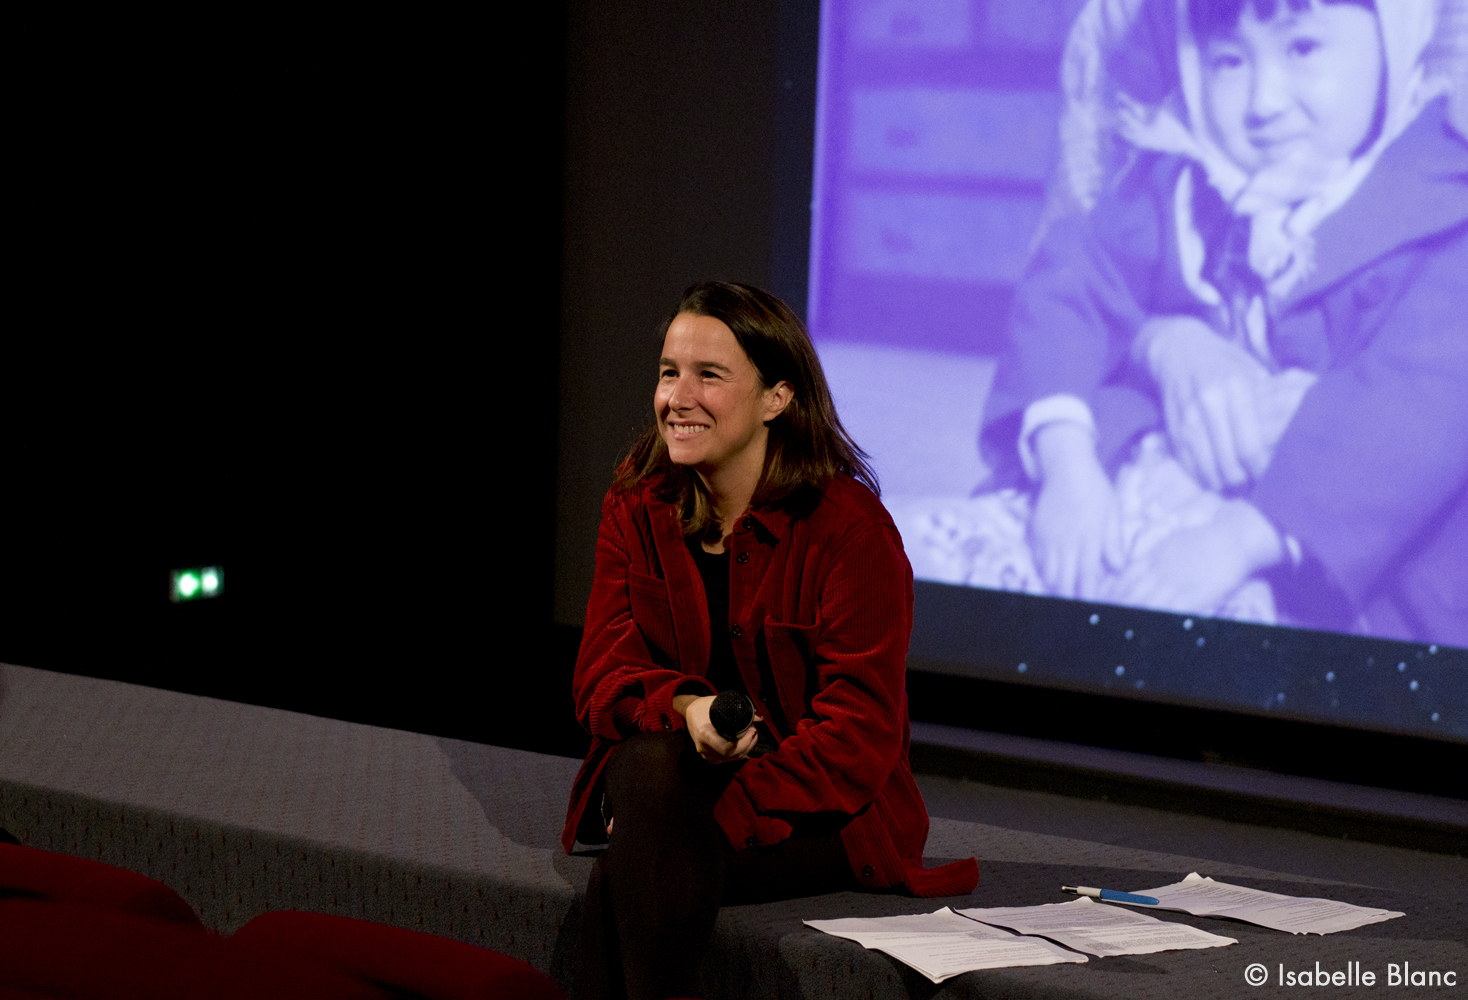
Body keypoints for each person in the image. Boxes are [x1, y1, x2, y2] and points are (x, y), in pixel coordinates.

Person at [930, 0, 1468, 645]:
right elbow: (1072, 284)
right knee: (921, 578)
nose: (1264, 102)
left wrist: (1238, 542)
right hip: (1137, 491)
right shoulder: (1181, 183)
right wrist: (1067, 463)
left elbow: (1417, 405)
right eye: (1230, 62)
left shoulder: (1444, 207)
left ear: (1393, 38)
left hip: (1325, 557)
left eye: (1302, 48)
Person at [563, 282, 979, 1000]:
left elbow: (858, 737)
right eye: (668, 372)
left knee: (630, 873)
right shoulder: (637, 502)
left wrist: (715, 814)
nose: (677, 398)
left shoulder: (849, 530)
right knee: (651, 768)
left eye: (709, 376)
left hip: (822, 809)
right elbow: (602, 677)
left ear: (777, 398)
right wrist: (688, 707)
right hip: (671, 783)